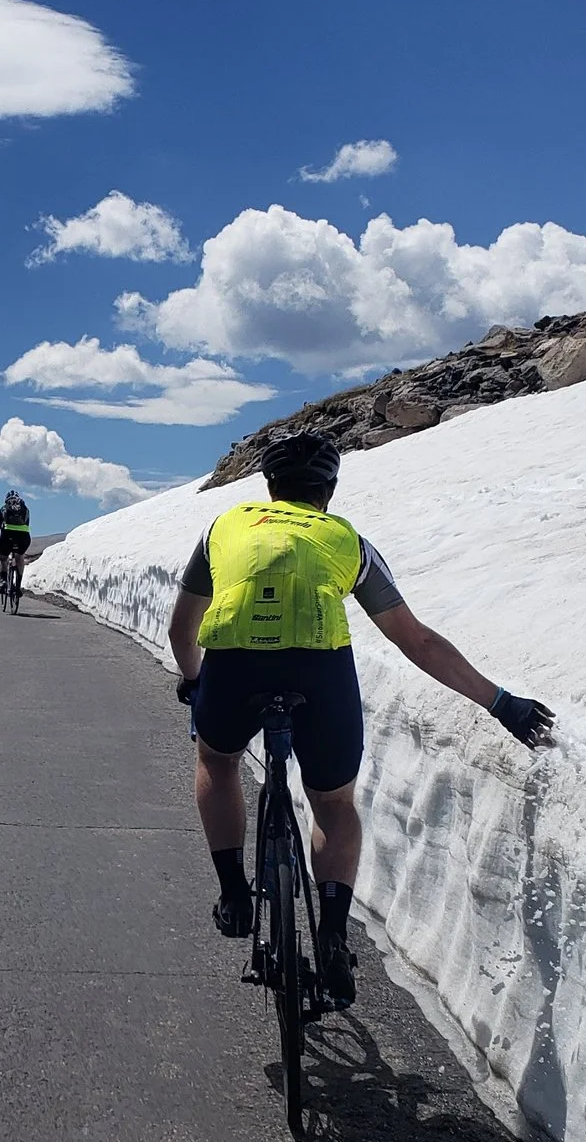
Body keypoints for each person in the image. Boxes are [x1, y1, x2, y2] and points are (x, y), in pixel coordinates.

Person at [167, 430, 553, 1008]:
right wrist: (502, 703)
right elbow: (416, 640)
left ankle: (234, 895)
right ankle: (331, 932)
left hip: (234, 667)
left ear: (269, 486)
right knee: (333, 803)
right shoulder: (347, 540)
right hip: (319, 672)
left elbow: (182, 629)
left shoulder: (222, 528)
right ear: (329, 491)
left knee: (217, 761)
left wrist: (195, 679)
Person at [0, 489, 33, 580]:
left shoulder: (3, 508)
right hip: (23, 537)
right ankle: (18, 584)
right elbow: (27, 523)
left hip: (7, 536)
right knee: (20, 557)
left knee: (2, 558)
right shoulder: (25, 508)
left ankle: (4, 580)